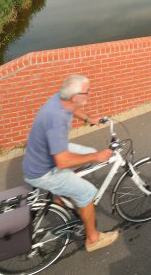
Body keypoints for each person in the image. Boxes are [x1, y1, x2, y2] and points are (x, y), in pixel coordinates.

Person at [23, 74, 119, 252]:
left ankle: (61, 196)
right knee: (88, 193)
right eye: (87, 92)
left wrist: (88, 119)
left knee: (88, 154)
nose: (89, 94)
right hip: (44, 170)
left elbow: (72, 109)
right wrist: (97, 156)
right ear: (75, 96)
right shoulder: (56, 120)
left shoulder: (60, 99)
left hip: (44, 154)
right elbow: (63, 161)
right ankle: (93, 239)